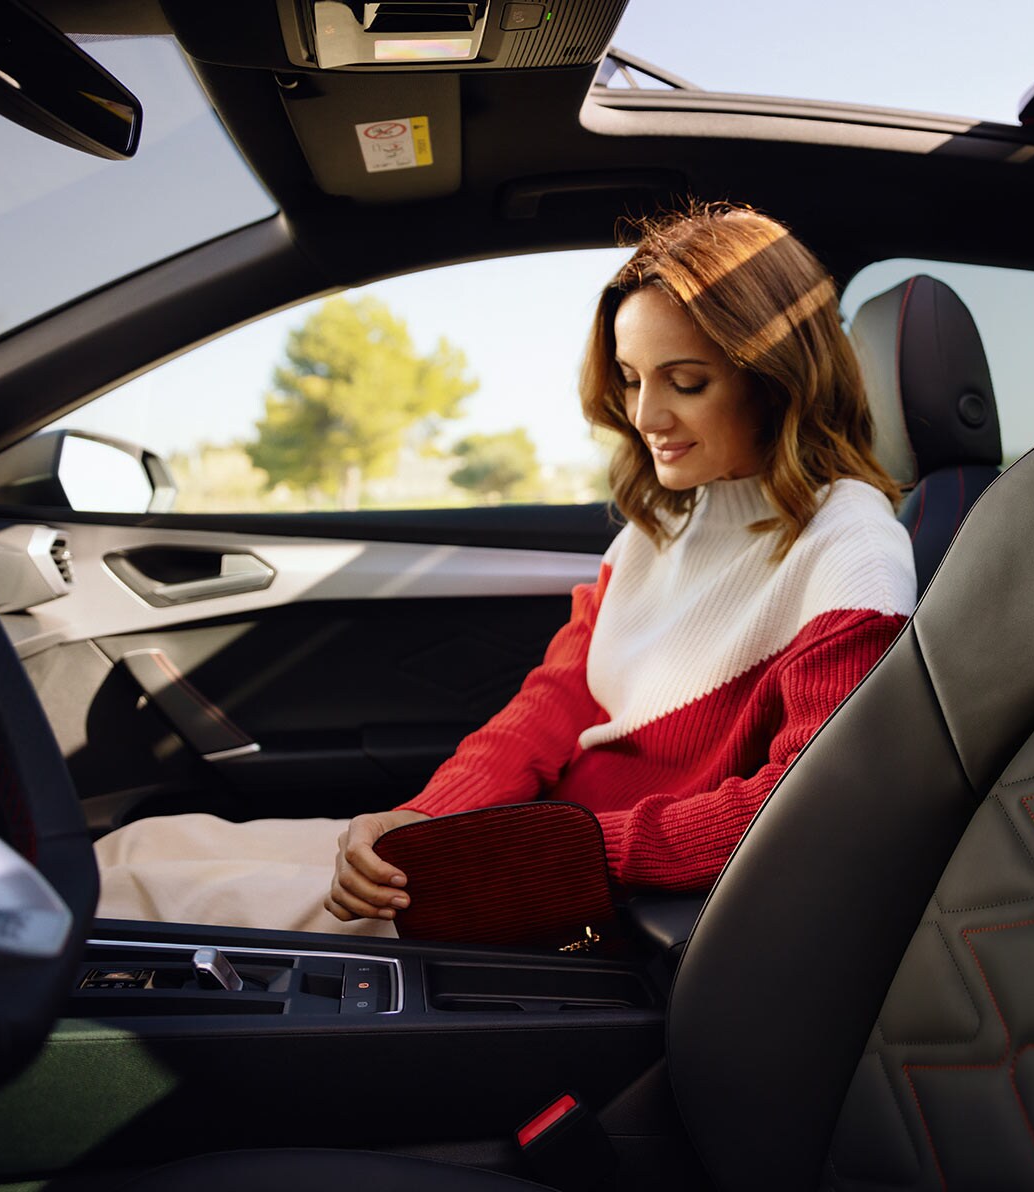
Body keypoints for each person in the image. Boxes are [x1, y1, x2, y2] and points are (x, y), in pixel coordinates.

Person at [93, 203, 916, 936]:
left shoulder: (849, 551)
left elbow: (804, 803)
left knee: (134, 904)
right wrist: (423, 817)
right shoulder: (663, 527)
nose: (644, 416)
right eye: (630, 380)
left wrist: (548, 853)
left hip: (576, 888)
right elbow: (552, 707)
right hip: (529, 842)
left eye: (687, 383)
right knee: (137, 848)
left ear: (778, 381)